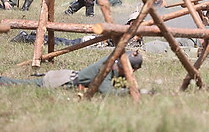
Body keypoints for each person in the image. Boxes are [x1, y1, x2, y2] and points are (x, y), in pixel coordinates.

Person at [0, 51, 142, 94]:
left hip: (68, 77)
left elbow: (117, 84)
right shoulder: (107, 66)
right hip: (62, 82)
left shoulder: (115, 65)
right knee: (22, 85)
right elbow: (106, 91)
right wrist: (130, 92)